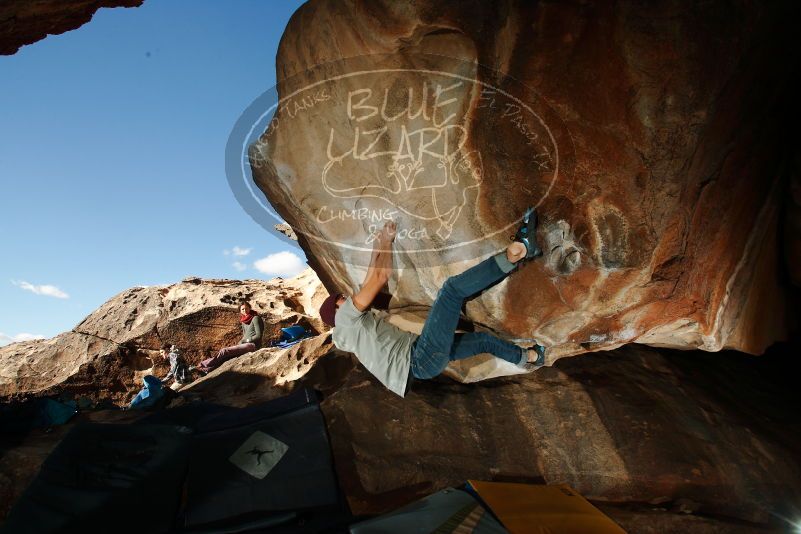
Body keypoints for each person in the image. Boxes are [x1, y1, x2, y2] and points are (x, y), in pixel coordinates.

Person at [319, 208, 547, 398]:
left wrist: (381, 243)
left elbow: (371, 276)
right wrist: (386, 242)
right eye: (341, 298)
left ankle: (531, 357)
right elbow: (381, 276)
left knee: (482, 341)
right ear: (337, 310)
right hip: (420, 356)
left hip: (424, 365)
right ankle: (517, 252)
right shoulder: (345, 317)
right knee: (451, 291)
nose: (347, 297)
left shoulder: (351, 329)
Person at [197, 301, 264, 374]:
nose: (245, 311)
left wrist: (246, 340)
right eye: (242, 309)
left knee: (224, 351)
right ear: (240, 311)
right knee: (226, 358)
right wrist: (241, 342)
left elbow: (258, 335)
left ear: (250, 308)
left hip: (253, 345)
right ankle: (207, 369)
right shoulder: (243, 321)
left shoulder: (256, 318)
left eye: (246, 308)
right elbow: (245, 335)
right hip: (245, 345)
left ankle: (202, 365)